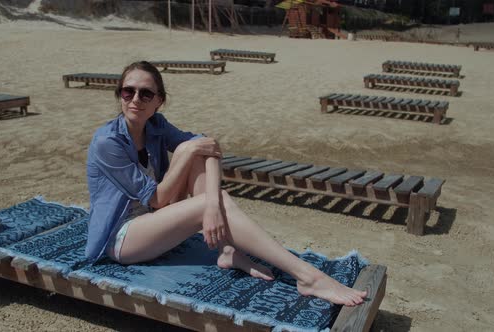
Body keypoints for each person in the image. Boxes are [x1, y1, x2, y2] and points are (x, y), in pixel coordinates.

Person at [85, 61, 367, 306]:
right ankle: (308, 277)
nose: (135, 99)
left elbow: (211, 146)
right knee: (190, 154)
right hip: (123, 238)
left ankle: (228, 250)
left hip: (153, 221)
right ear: (119, 95)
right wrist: (208, 195)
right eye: (127, 91)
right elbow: (157, 199)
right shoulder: (107, 142)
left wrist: (211, 203)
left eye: (145, 93)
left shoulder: (156, 125)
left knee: (196, 154)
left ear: (159, 100)